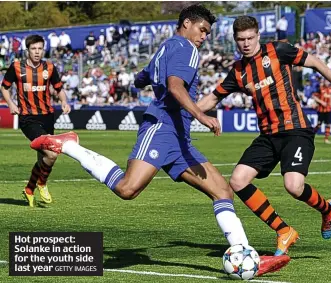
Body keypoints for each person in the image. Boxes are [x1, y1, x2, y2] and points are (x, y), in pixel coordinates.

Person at [31, 5, 289, 275]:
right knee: (127, 189)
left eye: (208, 33)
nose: (204, 37)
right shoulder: (188, 49)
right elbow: (175, 85)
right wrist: (201, 114)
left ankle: (245, 257)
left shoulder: (166, 47)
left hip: (179, 139)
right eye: (202, 30)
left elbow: (141, 77)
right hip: (163, 129)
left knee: (222, 191)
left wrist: (143, 81)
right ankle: (70, 144)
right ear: (187, 23)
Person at [197, 16, 331, 256]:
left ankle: (326, 209)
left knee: (293, 186)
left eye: (250, 38)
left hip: (296, 130)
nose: (246, 43)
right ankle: (283, 231)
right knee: (238, 180)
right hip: (268, 136)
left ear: (258, 36)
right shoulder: (239, 72)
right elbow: (213, 98)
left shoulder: (278, 50)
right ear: (235, 41)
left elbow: (315, 62)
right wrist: (188, 112)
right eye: (241, 40)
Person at [0, 35, 71, 207]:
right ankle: (42, 183)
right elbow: (5, 87)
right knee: (52, 153)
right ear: (28, 50)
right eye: (34, 49)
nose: (37, 52)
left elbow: (59, 88)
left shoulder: (50, 67)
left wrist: (64, 100)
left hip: (47, 117)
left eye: (40, 48)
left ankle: (29, 189)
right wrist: (10, 103)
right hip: (28, 118)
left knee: (44, 158)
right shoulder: (17, 67)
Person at [313, 79, 331, 144]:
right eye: (326, 81)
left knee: (329, 124)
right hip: (321, 110)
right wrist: (321, 102)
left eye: (328, 81)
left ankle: (326, 139)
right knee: (319, 124)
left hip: (328, 109)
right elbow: (314, 96)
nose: (327, 82)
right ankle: (311, 135)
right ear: (324, 81)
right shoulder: (320, 88)